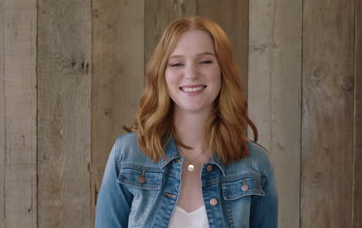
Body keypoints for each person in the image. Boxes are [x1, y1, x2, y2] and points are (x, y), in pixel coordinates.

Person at [95, 16, 278, 228]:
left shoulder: (256, 164)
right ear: (161, 74)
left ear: (223, 71)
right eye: (177, 63)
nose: (191, 74)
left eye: (205, 61)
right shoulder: (126, 155)